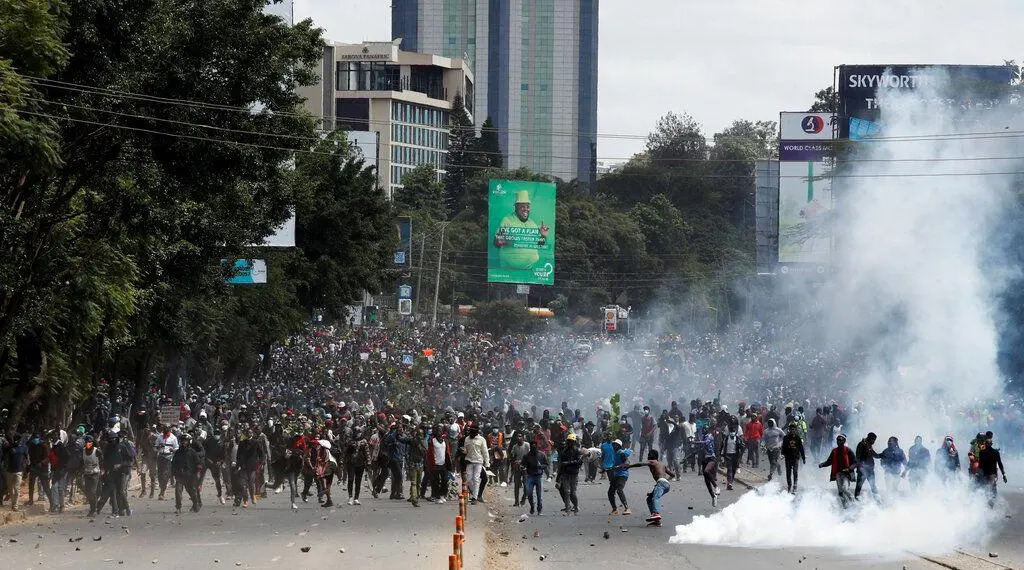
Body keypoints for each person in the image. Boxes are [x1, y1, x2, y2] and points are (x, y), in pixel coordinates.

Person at [613, 449, 676, 527]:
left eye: (649, 455)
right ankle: (657, 522)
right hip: (666, 484)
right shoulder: (662, 464)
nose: (648, 456)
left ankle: (656, 513)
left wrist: (629, 466)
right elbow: (672, 474)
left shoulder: (652, 462)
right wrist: (671, 474)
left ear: (651, 456)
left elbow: (640, 464)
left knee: (655, 498)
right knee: (649, 499)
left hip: (661, 483)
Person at [492, 189, 549, 271]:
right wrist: (500, 241)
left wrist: (543, 235)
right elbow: (496, 243)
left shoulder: (532, 224)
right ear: (516, 207)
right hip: (508, 271)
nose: (525, 209)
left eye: (527, 207)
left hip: (529, 270)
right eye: (522, 206)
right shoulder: (507, 220)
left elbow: (539, 245)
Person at [819, 434, 856, 508]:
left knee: (845, 489)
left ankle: (853, 501)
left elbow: (855, 462)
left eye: (840, 440)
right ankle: (845, 507)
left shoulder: (848, 450)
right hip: (838, 474)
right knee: (841, 493)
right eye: (837, 440)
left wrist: (849, 469)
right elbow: (829, 461)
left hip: (846, 474)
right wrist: (822, 464)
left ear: (844, 441)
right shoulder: (834, 451)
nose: (838, 441)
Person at [172, 433, 202, 513]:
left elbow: (198, 463)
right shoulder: (178, 452)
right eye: (182, 441)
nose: (183, 442)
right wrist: (173, 474)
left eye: (185, 441)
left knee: (192, 491)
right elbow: (173, 463)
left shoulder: (192, 452)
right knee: (178, 491)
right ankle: (178, 508)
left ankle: (196, 504)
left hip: (190, 476)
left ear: (189, 442)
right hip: (180, 476)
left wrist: (198, 470)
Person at [604, 439, 632, 515]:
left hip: (623, 475)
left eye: (616, 445)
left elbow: (627, 462)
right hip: (616, 475)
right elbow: (613, 466)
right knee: (610, 492)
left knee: (619, 490)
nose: (614, 446)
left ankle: (627, 508)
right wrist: (606, 469)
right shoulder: (614, 454)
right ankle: (615, 509)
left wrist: (619, 466)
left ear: (619, 446)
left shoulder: (622, 453)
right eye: (613, 445)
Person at [977, 437, 1007, 507]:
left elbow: (980, 465)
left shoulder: (982, 452)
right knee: (991, 489)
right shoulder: (996, 452)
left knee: (985, 489)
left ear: (985, 444)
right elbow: (1000, 464)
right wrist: (1004, 474)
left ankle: (985, 504)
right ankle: (990, 505)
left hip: (984, 474)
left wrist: (978, 473)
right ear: (992, 444)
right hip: (992, 474)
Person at [556, 432, 582, 514]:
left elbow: (579, 462)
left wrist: (568, 463)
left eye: (571, 441)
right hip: (565, 474)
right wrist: (558, 478)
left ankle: (576, 506)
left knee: (573, 493)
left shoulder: (577, 451)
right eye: (569, 441)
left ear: (574, 442)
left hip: (574, 474)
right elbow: (561, 465)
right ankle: (567, 508)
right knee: (566, 491)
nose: (570, 443)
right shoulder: (564, 452)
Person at [463, 426, 490, 505]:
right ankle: (474, 493)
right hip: (469, 461)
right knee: (468, 479)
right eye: (470, 432)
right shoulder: (467, 439)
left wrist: (487, 463)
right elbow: (465, 450)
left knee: (476, 478)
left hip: (478, 461)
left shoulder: (481, 439)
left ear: (476, 433)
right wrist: (463, 451)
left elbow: (485, 452)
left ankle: (475, 497)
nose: (470, 434)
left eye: (472, 432)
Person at [3, 433, 28, 511]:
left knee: (17, 489)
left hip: (19, 471)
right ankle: (13, 504)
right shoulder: (9, 447)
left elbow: (26, 458)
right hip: (9, 471)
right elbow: (4, 455)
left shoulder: (23, 447)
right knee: (11, 490)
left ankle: (15, 506)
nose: (17, 441)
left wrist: (26, 469)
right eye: (15, 439)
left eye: (18, 439)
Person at [522, 440, 548, 515]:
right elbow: (523, 465)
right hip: (530, 476)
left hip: (539, 477)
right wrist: (521, 467)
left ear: (537, 447)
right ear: (530, 447)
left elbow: (546, 464)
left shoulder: (542, 455)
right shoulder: (526, 456)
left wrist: (541, 466)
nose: (534, 448)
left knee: (539, 495)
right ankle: (532, 506)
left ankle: (539, 509)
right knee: (529, 493)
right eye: (532, 446)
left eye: (535, 446)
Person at [781, 422, 806, 493]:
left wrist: (803, 458)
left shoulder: (798, 438)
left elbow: (801, 448)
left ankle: (795, 486)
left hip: (795, 457)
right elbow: (784, 447)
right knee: (788, 473)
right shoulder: (786, 438)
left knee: (795, 472)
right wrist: (782, 454)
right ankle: (789, 486)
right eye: (791, 429)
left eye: (794, 429)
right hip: (788, 457)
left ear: (795, 430)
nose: (792, 430)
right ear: (789, 430)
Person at [854, 432, 880, 500]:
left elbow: (874, 454)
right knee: (859, 486)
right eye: (873, 440)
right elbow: (858, 457)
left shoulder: (869, 445)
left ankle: (877, 500)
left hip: (870, 470)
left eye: (874, 440)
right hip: (863, 470)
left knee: (873, 486)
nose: (874, 442)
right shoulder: (862, 444)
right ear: (869, 438)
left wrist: (882, 455)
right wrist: (860, 467)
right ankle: (856, 500)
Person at [81, 436, 102, 516]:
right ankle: (93, 507)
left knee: (92, 492)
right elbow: (81, 462)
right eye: (86, 442)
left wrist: (103, 471)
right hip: (87, 474)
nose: (88, 444)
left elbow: (102, 460)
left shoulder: (97, 451)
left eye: (89, 442)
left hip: (95, 474)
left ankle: (94, 509)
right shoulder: (83, 451)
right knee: (88, 492)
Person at [720, 425, 744, 491]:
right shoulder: (726, 438)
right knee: (729, 469)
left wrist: (740, 456)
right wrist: (721, 454)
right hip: (728, 455)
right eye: (731, 431)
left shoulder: (738, 439)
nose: (732, 433)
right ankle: (729, 483)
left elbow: (742, 447)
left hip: (735, 456)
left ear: (736, 432)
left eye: (733, 431)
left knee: (733, 470)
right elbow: (722, 446)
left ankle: (731, 482)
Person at [700, 431, 720, 507]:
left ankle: (716, 487)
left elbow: (705, 442)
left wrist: (695, 442)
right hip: (704, 459)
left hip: (711, 458)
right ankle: (713, 496)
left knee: (706, 471)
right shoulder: (702, 436)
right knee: (707, 481)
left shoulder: (710, 436)